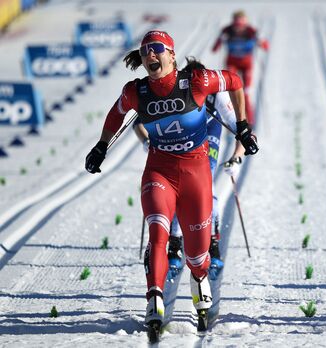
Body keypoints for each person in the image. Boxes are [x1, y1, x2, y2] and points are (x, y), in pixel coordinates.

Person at [84, 30, 258, 331]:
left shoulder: (198, 81)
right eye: (145, 51)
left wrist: (242, 127)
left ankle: (200, 277)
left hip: (196, 173)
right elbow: (116, 114)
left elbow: (235, 81)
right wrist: (101, 146)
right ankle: (154, 295)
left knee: (198, 255)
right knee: (158, 234)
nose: (151, 55)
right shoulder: (135, 92)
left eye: (157, 49)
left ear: (172, 54)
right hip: (159, 171)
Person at [133, 59, 247, 281]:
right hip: (176, 146)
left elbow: (239, 128)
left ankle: (212, 243)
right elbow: (138, 123)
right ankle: (175, 244)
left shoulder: (215, 94)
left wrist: (236, 158)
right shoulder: (173, 91)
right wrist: (148, 142)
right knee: (173, 192)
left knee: (204, 190)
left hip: (206, 143)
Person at [212, 10, 269, 126]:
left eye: (241, 26)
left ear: (245, 24)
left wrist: (259, 40)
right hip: (232, 63)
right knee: (230, 92)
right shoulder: (227, 31)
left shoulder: (251, 31)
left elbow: (266, 47)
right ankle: (232, 119)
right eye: (236, 26)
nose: (239, 29)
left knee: (246, 93)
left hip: (246, 64)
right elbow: (214, 49)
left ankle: (249, 121)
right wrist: (220, 39)